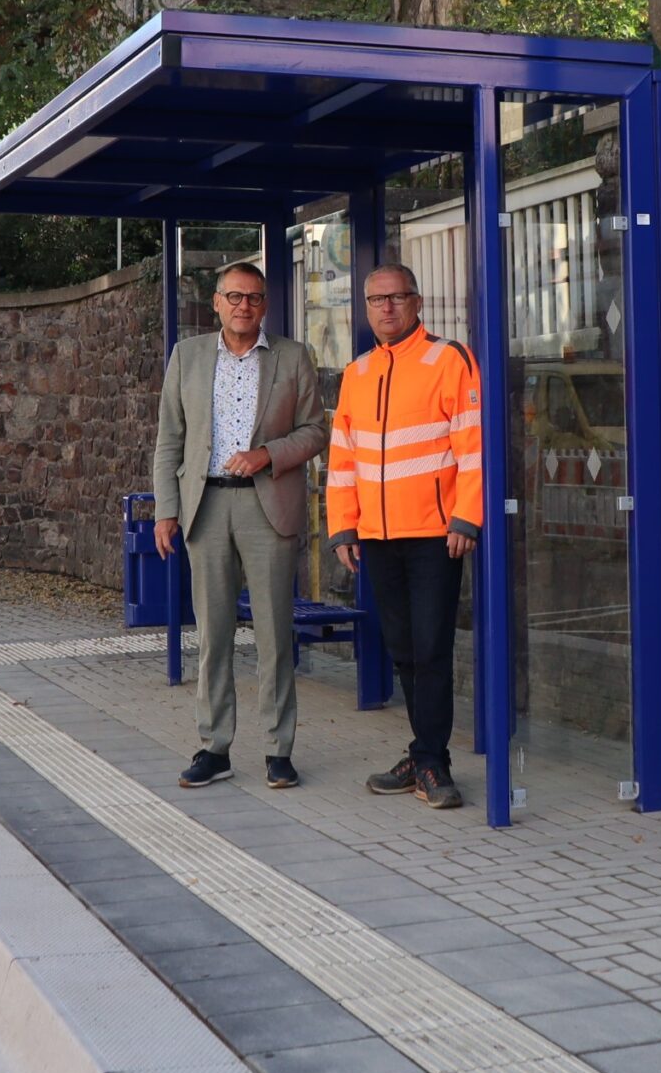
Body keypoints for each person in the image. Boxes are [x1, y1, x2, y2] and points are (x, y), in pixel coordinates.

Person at [153, 262, 327, 790]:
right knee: (213, 635)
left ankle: (279, 749)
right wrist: (166, 509)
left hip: (267, 506)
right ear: (216, 302)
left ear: (265, 305)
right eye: (234, 297)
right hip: (205, 508)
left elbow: (316, 431)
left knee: (275, 634)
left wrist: (267, 455)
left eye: (253, 298)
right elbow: (169, 440)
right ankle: (215, 746)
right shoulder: (188, 356)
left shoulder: (293, 357)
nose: (243, 306)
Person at [326, 264, 482, 811]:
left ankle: (433, 762)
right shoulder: (357, 372)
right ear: (366, 308)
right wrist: (343, 524)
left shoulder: (450, 359)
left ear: (417, 302)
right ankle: (422, 754)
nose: (386, 308)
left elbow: (472, 446)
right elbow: (343, 459)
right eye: (376, 300)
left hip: (436, 535)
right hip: (377, 536)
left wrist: (467, 517)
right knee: (403, 650)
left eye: (396, 298)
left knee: (432, 646)